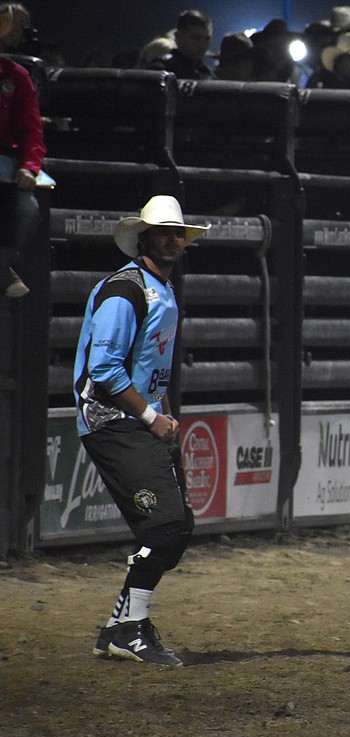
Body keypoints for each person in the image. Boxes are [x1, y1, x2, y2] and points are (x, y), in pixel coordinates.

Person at [77, 195, 210, 665]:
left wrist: (161, 414)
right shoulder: (126, 290)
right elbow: (105, 368)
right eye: (164, 231)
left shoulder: (159, 289)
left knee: (177, 527)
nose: (173, 239)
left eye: (178, 232)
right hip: (113, 420)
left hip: (140, 420)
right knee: (167, 525)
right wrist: (152, 417)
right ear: (144, 237)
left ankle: (120, 626)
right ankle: (129, 627)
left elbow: (150, 366)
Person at [0, 6, 44, 299]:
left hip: (3, 162)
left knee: (28, 209)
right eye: (10, 26)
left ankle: (2, 264)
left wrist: (29, 165)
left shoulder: (16, 76)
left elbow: (32, 131)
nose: (14, 33)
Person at [148, 9, 215, 80]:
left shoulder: (207, 74)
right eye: (196, 38)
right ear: (179, 37)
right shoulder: (161, 70)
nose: (202, 45)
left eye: (207, 39)